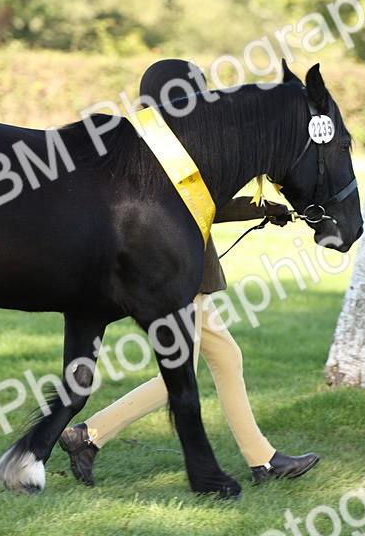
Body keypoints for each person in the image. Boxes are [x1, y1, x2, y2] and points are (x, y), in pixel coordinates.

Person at [59, 61, 320, 488]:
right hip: (180, 277)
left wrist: (262, 208)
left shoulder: (160, 145)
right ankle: (87, 435)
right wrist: (257, 208)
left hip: (188, 275)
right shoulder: (167, 152)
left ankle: (263, 460)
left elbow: (208, 203)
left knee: (228, 358)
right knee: (176, 380)